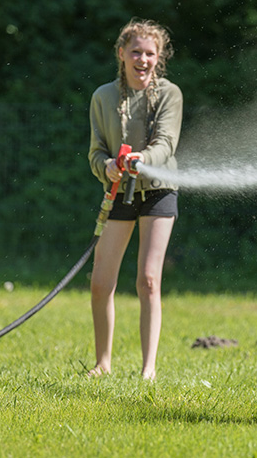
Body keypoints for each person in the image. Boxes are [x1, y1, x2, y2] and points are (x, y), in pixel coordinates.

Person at [87, 19, 183, 379]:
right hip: (118, 193)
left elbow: (166, 145)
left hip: (158, 191)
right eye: (136, 52)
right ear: (121, 54)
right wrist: (107, 166)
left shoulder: (169, 94)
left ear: (159, 58)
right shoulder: (103, 97)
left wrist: (142, 160)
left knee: (148, 280)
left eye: (150, 54)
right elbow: (95, 151)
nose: (142, 59)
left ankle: (148, 369)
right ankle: (103, 364)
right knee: (100, 282)